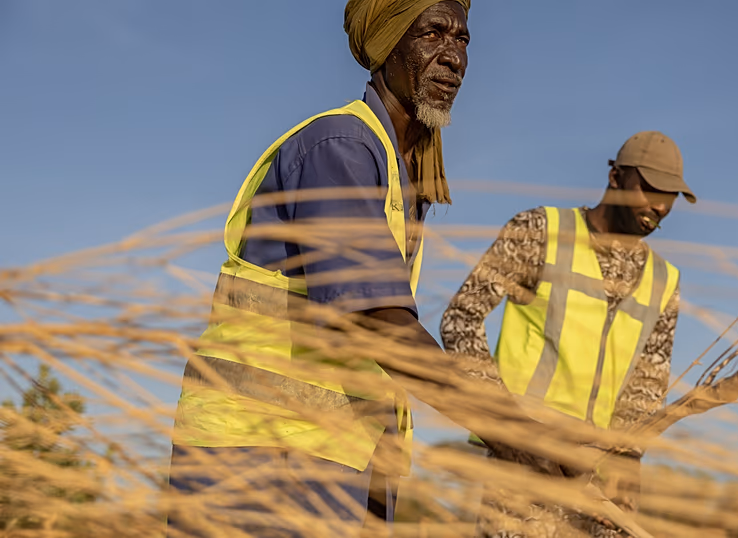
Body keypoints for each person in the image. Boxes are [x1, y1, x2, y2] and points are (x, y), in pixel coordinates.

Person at [167, 1, 471, 536]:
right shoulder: (342, 147)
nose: (453, 57)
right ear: (388, 45)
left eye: (463, 40)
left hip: (332, 455)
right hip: (262, 455)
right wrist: (515, 431)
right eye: (433, 35)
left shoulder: (400, 174)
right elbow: (378, 322)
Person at [441, 131, 696, 537]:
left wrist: (628, 456)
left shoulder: (666, 280)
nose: (660, 206)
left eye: (671, 196)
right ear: (615, 176)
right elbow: (461, 320)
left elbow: (649, 381)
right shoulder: (539, 231)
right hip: (524, 468)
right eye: (649, 188)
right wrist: (510, 432)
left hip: (600, 481)